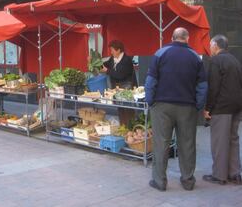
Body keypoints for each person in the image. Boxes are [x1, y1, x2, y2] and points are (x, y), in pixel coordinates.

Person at [145, 27, 207, 192]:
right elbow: (202, 86)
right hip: (187, 107)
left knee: (161, 143)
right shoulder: (195, 57)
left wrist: (151, 101)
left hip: (162, 106)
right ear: (187, 39)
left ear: (172, 38)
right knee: (187, 144)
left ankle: (159, 181)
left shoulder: (160, 53)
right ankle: (187, 180)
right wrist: (198, 106)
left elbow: (151, 80)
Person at [203, 35, 242, 185]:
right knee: (233, 139)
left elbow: (213, 87)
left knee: (219, 141)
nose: (209, 48)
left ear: (215, 45)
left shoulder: (216, 61)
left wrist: (208, 108)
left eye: (210, 45)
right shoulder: (235, 60)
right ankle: (235, 173)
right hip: (237, 106)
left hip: (222, 107)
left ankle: (219, 175)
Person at [102, 40, 136, 125]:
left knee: (127, 109)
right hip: (116, 89)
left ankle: (130, 128)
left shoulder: (127, 60)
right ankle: (123, 127)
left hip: (126, 90)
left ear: (118, 50)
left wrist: (107, 71)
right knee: (120, 108)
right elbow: (104, 65)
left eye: (112, 50)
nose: (111, 52)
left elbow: (120, 75)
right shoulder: (112, 59)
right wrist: (93, 61)